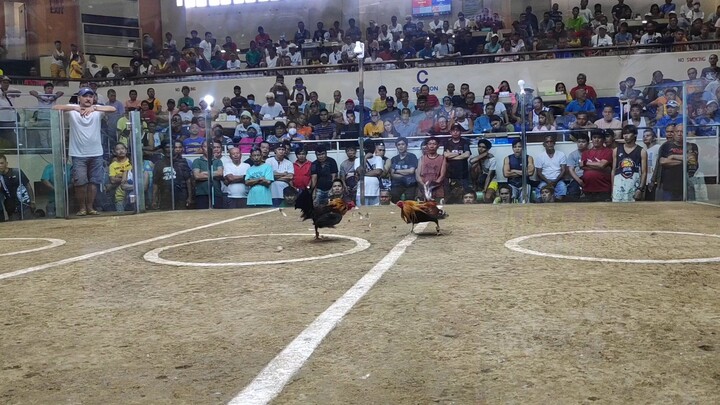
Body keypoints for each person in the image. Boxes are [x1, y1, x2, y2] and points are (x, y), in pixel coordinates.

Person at [53, 88, 117, 216]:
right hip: (78, 154)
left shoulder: (97, 109)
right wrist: (75, 108)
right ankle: (82, 208)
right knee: (80, 182)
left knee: (94, 181)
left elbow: (113, 109)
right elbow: (55, 107)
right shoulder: (73, 108)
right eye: (85, 96)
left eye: (90, 96)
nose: (88, 98)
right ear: (79, 98)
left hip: (96, 152)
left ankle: (90, 207)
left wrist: (95, 108)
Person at [658, 124, 699, 200]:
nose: (679, 134)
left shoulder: (691, 146)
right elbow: (663, 162)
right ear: (674, 133)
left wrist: (673, 157)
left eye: (682, 131)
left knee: (690, 211)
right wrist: (683, 161)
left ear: (686, 133)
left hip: (687, 186)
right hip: (669, 187)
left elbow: (691, 160)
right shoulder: (666, 145)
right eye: (677, 131)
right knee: (668, 211)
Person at [152, 141, 193, 210]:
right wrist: (154, 199)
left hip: (181, 195)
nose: (169, 149)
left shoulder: (182, 162)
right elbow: (156, 183)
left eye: (171, 147)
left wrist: (190, 197)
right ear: (163, 149)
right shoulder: (159, 164)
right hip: (165, 196)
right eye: (167, 147)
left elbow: (188, 181)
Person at [611, 125, 648, 202]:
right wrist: (612, 188)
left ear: (635, 134)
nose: (626, 136)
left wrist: (640, 189)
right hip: (618, 186)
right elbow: (613, 170)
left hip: (634, 185)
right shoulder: (616, 150)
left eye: (628, 133)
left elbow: (644, 172)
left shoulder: (642, 151)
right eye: (624, 134)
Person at [0, 153, 35, 221]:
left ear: (6, 163)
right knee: (14, 227)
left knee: (29, 224)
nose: (0, 165)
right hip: (11, 206)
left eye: (1, 163)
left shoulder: (16, 172)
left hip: (24, 203)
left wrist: (32, 201)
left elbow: (28, 186)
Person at [580, 131, 613, 202]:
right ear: (592, 139)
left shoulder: (608, 151)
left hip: (603, 189)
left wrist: (586, 163)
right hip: (587, 189)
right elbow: (582, 166)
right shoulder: (585, 153)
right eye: (594, 137)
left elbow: (602, 165)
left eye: (599, 138)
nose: (596, 140)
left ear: (603, 140)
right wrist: (599, 166)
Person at [416, 137, 447, 201]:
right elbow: (418, 175)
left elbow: (442, 176)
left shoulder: (442, 158)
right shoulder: (422, 158)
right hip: (423, 188)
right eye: (430, 144)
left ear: (438, 146)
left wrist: (432, 186)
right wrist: (424, 186)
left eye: (434, 144)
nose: (432, 146)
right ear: (427, 146)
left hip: (437, 188)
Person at [389, 137, 418, 203]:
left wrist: (397, 171)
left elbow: (411, 171)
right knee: (393, 196)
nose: (400, 146)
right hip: (397, 185)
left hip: (410, 185)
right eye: (398, 145)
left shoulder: (412, 157)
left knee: (410, 200)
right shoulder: (394, 159)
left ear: (406, 145)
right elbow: (392, 174)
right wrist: (405, 174)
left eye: (403, 144)